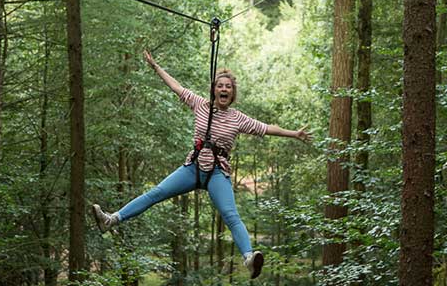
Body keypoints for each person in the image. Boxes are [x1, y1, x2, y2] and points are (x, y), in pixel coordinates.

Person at [92, 50, 311, 279]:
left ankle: (248, 258)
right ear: (214, 89)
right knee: (156, 193)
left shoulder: (238, 118)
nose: (224, 89)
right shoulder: (201, 105)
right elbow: (176, 87)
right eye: (220, 86)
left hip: (218, 173)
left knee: (230, 214)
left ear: (232, 93)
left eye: (228, 87)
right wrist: (156, 67)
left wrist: (294, 133)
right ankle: (111, 219)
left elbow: (267, 128)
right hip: (193, 168)